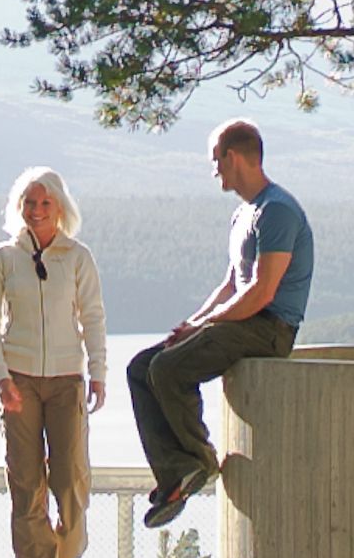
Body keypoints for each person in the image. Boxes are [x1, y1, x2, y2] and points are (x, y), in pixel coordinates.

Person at [128, 123, 309, 532]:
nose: (215, 172)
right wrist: (192, 324)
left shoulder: (277, 210)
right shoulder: (244, 213)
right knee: (142, 367)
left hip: (270, 327)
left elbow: (262, 292)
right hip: (241, 319)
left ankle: (199, 461)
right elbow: (231, 283)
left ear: (232, 157)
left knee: (169, 369)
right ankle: (176, 471)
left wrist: (207, 324)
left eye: (216, 161)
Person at [0, 167, 106, 558]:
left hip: (67, 380)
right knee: (26, 482)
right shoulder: (3, 259)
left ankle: (64, 556)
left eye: (45, 203)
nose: (36, 211)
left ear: (60, 207)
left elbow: (93, 317)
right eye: (29, 203)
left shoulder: (76, 257)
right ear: (19, 208)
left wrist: (99, 372)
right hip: (21, 381)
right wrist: (2, 377)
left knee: (70, 479)